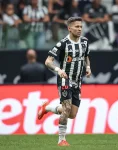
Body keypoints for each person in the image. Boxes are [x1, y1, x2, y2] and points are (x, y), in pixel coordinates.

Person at [38, 17, 91, 146]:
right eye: (76, 27)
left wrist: (88, 67)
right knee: (66, 108)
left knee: (72, 114)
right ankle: (61, 139)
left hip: (77, 81)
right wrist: (58, 70)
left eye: (80, 27)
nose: (79, 29)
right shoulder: (62, 43)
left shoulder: (84, 42)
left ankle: (48, 108)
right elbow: (48, 61)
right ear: (69, 28)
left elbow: (86, 56)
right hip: (64, 80)